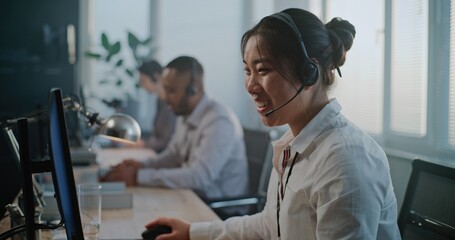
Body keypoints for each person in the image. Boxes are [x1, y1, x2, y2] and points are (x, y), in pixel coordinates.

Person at [143, 8, 402, 240]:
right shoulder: (291, 144)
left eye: (263, 70)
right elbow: (270, 226)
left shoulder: (345, 159)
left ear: (308, 72)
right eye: (248, 71)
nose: (250, 86)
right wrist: (192, 232)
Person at [100, 56, 249, 205]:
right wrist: (142, 166)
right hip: (193, 197)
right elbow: (174, 154)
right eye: (164, 88)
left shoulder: (219, 121)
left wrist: (139, 176)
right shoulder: (185, 114)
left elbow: (199, 176)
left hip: (218, 208)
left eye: (171, 90)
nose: (164, 97)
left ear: (193, 90)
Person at [136, 60, 176, 153]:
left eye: (143, 81)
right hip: (156, 154)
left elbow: (166, 141)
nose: (142, 86)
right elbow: (157, 136)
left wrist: (143, 144)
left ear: (156, 77)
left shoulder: (172, 102)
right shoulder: (160, 101)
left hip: (166, 156)